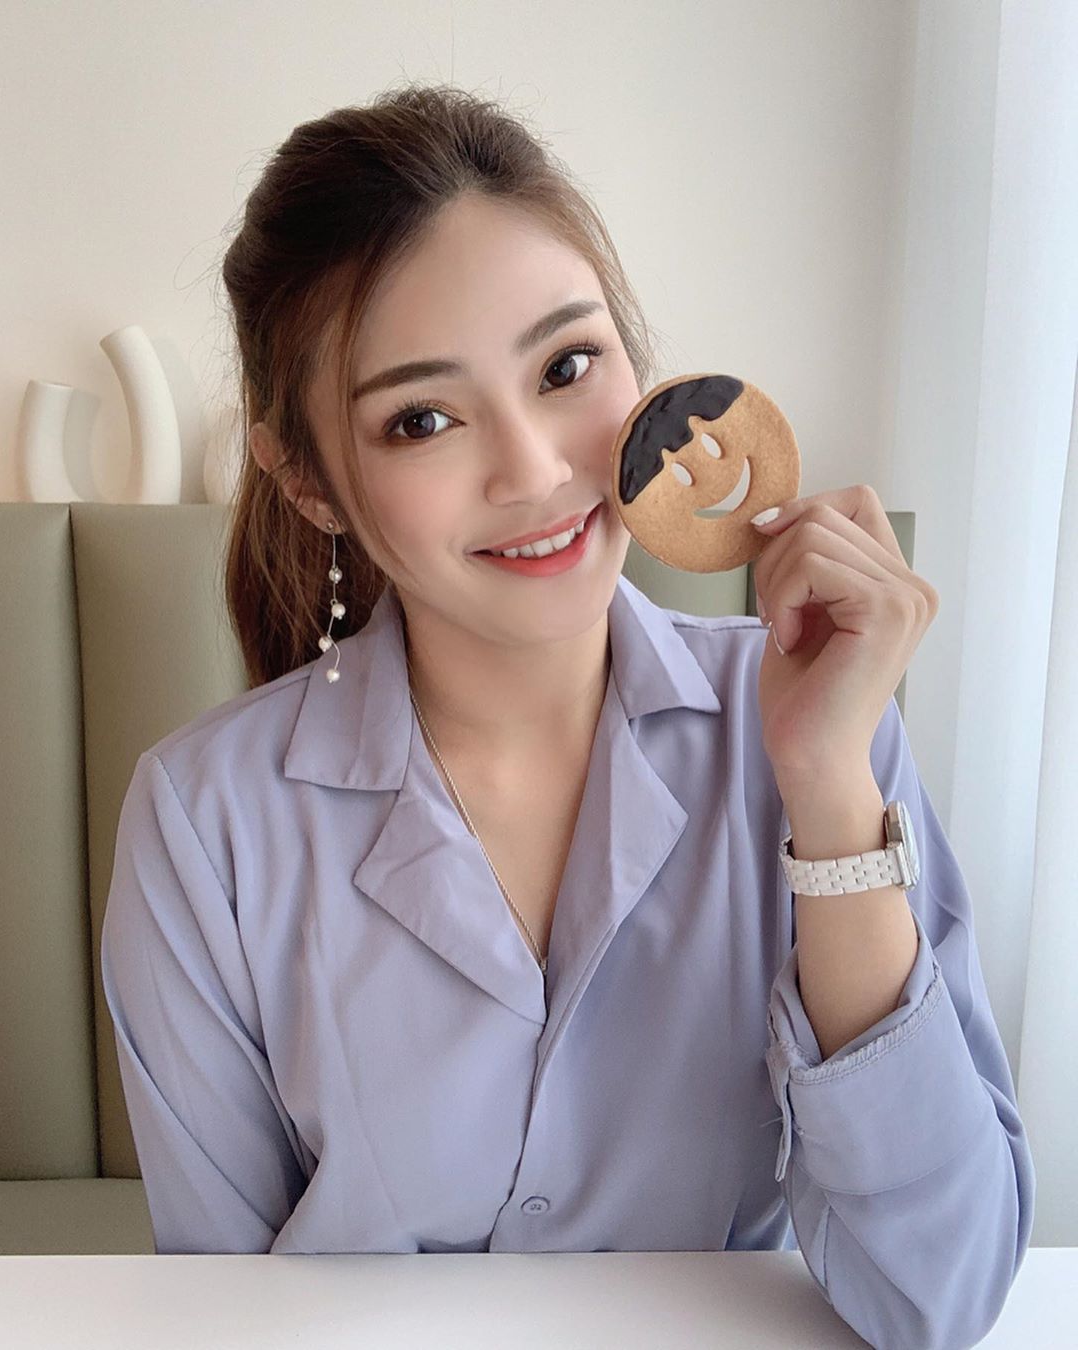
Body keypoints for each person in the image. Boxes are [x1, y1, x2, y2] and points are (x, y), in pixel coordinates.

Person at [101, 83, 1034, 1348]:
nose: (537, 469)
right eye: (422, 419)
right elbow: (220, 1321)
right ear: (310, 481)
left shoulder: (819, 731)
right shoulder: (203, 824)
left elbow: (940, 1294)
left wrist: (826, 788)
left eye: (566, 366)